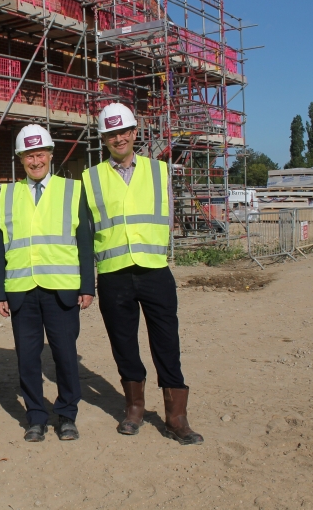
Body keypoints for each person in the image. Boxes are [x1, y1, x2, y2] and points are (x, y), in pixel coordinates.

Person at [84, 103, 203, 445]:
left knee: (167, 344)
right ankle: (134, 407)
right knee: (124, 345)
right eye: (111, 133)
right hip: (113, 274)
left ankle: (176, 417)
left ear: (135, 133)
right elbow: (87, 229)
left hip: (154, 270)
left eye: (124, 131)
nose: (118, 138)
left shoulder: (160, 171)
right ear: (104, 138)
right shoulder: (90, 178)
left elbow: (168, 218)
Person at [0, 124, 95, 442]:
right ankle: (35, 416)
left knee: (65, 355)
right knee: (27, 359)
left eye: (40, 154)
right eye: (28, 155)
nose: (35, 161)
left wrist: (87, 286)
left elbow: (84, 240)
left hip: (61, 289)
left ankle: (67, 415)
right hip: (21, 289)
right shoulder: (6, 194)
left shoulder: (72, 190)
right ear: (20, 159)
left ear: (51, 155)